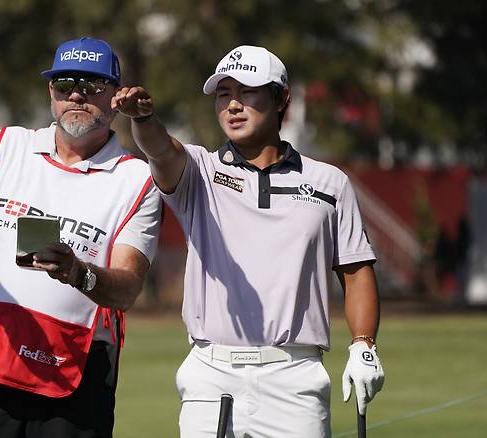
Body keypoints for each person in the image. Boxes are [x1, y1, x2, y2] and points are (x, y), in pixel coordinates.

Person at [113, 45, 384, 437]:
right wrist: (144, 118)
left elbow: (356, 271)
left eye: (248, 92)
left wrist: (363, 345)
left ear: (281, 99)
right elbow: (160, 149)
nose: (233, 105)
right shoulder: (200, 171)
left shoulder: (329, 183)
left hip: (295, 377)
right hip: (212, 374)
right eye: (224, 94)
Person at [0, 37, 161, 438]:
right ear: (50, 93)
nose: (75, 94)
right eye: (63, 83)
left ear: (114, 98)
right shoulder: (7, 145)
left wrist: (79, 272)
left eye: (90, 86)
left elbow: (127, 289)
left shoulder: (137, 178)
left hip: (78, 370)